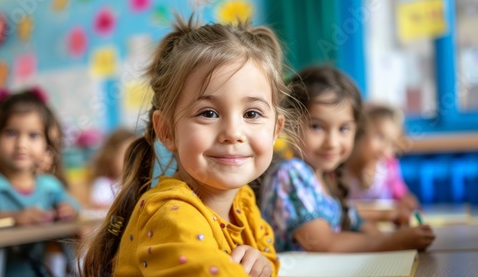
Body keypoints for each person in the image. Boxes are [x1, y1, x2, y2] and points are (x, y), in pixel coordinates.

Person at [80, 16, 297, 277]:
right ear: (167, 131)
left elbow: (270, 262)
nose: (233, 133)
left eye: (251, 114)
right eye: (208, 113)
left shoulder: (244, 202)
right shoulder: (172, 215)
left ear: (276, 130)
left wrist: (260, 261)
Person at [259, 66, 435, 253]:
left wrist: (397, 229)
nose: (332, 143)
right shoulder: (290, 174)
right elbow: (323, 244)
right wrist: (395, 241)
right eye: (317, 126)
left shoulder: (326, 177)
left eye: (343, 129)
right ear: (288, 124)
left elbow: (356, 222)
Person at [0, 88, 80, 277]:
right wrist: (14, 218)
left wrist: (66, 208)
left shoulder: (48, 186)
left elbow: (73, 206)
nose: (21, 145)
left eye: (33, 135)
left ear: (46, 144)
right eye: (11, 133)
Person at [344, 103, 419, 224]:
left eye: (392, 144)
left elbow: (401, 194)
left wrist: (407, 201)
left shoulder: (389, 167)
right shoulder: (344, 168)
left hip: (383, 229)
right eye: (380, 137)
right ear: (360, 133)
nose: (385, 148)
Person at [88, 128, 136, 209]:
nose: (132, 162)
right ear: (110, 157)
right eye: (127, 156)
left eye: (135, 156)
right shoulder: (103, 185)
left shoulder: (137, 185)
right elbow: (98, 208)